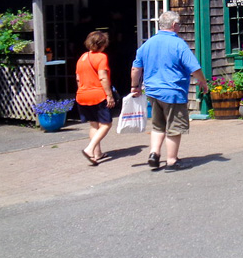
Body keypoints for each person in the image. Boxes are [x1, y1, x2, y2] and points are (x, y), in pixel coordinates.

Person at [131, 10, 208, 172]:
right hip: (173, 91)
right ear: (174, 25)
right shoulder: (178, 44)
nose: (179, 27)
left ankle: (154, 154)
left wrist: (134, 86)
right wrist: (202, 81)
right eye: (179, 24)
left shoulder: (147, 44)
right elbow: (194, 67)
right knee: (174, 126)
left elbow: (136, 68)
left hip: (153, 92)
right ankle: (172, 161)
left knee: (158, 125)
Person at [76, 31, 115, 166]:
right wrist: (109, 95)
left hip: (82, 95)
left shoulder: (82, 57)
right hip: (98, 95)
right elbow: (103, 77)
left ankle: (96, 153)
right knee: (106, 124)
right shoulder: (101, 57)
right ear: (102, 44)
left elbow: (78, 78)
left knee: (94, 124)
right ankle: (89, 149)